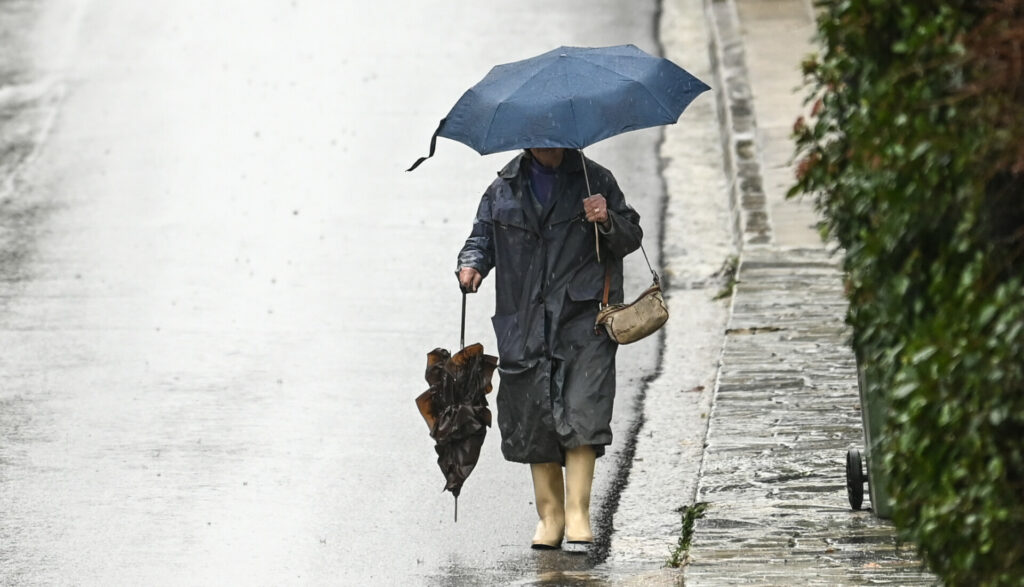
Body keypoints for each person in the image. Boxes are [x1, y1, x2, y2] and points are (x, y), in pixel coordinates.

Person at [456, 147, 642, 549]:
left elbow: (631, 236)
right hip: (523, 320)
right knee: (534, 415)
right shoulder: (501, 190)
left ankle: (578, 513)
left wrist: (607, 218)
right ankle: (550, 516)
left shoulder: (597, 180)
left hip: (583, 317)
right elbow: (481, 238)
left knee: (583, 408)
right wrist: (470, 264)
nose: (547, 146)